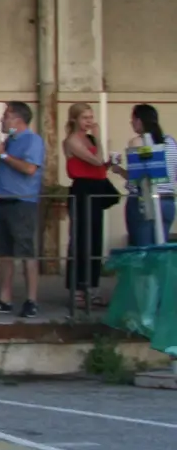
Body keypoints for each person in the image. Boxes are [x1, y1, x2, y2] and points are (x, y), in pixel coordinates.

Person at [0, 102, 45, 317]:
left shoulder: (33, 140)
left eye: (5, 116)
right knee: (4, 252)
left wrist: (3, 155)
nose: (2, 120)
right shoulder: (10, 141)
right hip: (3, 200)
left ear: (17, 119)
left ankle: (31, 300)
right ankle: (3, 299)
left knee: (26, 252)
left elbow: (29, 169)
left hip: (22, 202)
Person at [61, 101, 114, 309]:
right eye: (85, 118)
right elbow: (96, 160)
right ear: (75, 119)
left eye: (91, 118)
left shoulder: (89, 138)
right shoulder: (72, 140)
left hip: (96, 188)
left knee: (95, 238)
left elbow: (100, 163)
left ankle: (92, 287)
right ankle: (78, 289)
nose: (89, 122)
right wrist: (100, 139)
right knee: (81, 238)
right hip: (83, 189)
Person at [115, 104, 177, 248]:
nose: (131, 123)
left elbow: (138, 177)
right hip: (167, 201)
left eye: (132, 119)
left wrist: (118, 170)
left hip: (143, 202)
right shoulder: (171, 142)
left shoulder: (137, 142)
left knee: (142, 251)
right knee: (160, 252)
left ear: (139, 121)